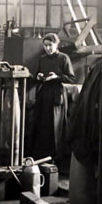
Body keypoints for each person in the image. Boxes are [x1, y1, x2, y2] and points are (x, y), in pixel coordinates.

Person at [32, 33, 76, 162]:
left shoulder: (63, 58)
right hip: (43, 95)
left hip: (57, 96)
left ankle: (56, 156)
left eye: (50, 45)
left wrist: (57, 77)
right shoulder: (42, 59)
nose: (47, 48)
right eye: (45, 45)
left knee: (55, 126)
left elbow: (71, 78)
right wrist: (38, 77)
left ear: (57, 45)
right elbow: (36, 76)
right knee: (42, 125)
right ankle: (42, 155)